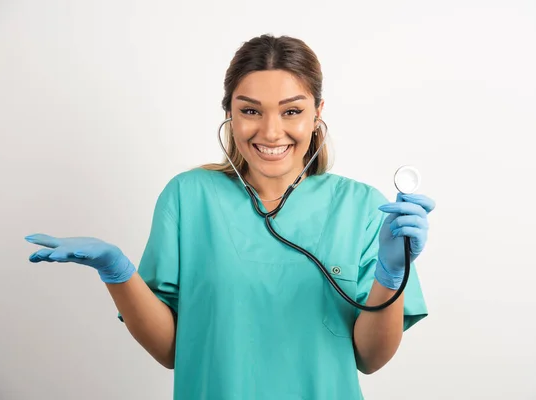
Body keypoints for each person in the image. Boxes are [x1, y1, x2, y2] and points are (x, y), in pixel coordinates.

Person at [25, 34, 436, 400]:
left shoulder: (363, 207)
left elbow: (371, 357)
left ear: (317, 114)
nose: (271, 132)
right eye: (251, 111)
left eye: (291, 111)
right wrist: (117, 272)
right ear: (230, 114)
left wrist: (390, 275)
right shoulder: (188, 197)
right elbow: (171, 350)